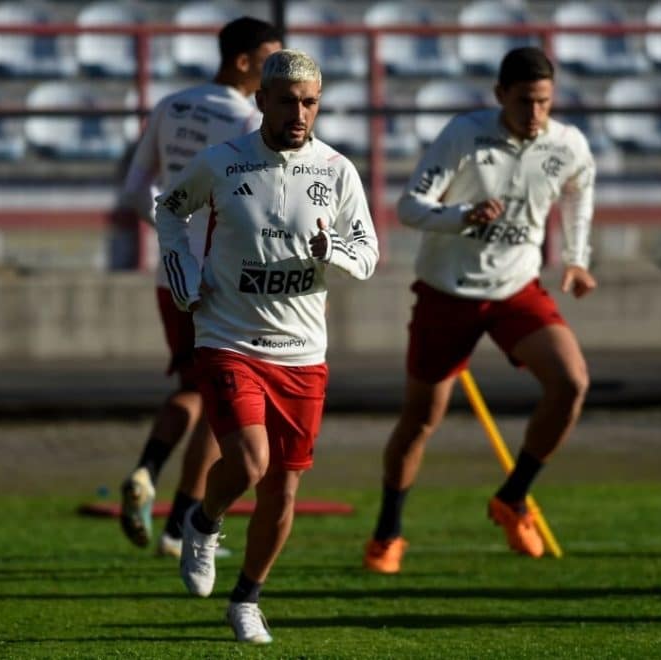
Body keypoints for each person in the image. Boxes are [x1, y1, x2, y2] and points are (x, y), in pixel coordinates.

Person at [157, 49, 378, 644]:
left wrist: (331, 253)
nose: (300, 112)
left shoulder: (337, 171)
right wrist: (181, 267)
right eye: (288, 101)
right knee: (250, 461)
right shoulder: (220, 164)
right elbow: (169, 210)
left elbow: (367, 254)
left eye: (310, 102)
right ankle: (202, 522)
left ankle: (247, 599)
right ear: (262, 102)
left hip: (303, 350)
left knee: (283, 489)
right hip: (229, 337)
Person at [361, 46, 596, 574]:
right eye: (524, 101)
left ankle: (512, 498)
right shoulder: (464, 133)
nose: (535, 114)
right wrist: (462, 216)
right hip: (448, 290)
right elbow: (409, 207)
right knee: (421, 419)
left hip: (516, 289)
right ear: (499, 96)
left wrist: (578, 260)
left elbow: (580, 191)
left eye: (544, 102)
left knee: (572, 383)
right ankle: (387, 533)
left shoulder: (567, 144)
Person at [114, 17, 282, 558]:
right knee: (214, 395)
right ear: (242, 62)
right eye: (268, 60)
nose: (274, 72)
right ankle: (151, 474)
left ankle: (176, 523)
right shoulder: (244, 119)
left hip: (172, 272)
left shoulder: (172, 105)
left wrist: (173, 234)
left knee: (205, 391)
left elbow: (137, 189)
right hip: (221, 277)